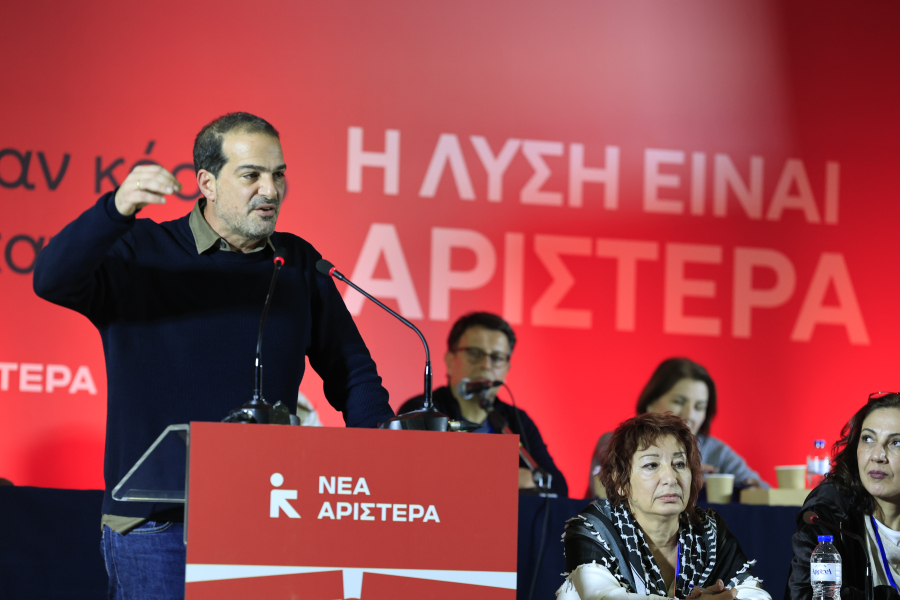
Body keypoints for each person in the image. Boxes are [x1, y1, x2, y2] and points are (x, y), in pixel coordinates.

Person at [32, 112, 394, 598]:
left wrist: (388, 460)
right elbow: (51, 280)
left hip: (266, 515)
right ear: (207, 183)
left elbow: (353, 373)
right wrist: (115, 210)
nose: (270, 190)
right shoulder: (141, 251)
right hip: (156, 528)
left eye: (278, 174)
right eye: (251, 175)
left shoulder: (296, 263)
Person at [559, 413, 770, 600]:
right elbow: (602, 596)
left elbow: (755, 594)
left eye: (679, 464)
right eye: (651, 465)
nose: (670, 478)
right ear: (621, 482)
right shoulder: (594, 528)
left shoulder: (708, 529)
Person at [397, 312, 568, 496]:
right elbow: (414, 476)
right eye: (474, 353)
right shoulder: (420, 411)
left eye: (497, 357)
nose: (486, 365)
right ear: (450, 360)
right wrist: (505, 478)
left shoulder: (516, 421)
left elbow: (558, 487)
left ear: (507, 369)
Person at [586, 358, 768, 498]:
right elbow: (610, 495)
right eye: (679, 402)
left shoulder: (716, 452)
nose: (690, 415)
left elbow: (766, 493)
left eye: (699, 407)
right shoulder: (615, 442)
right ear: (651, 402)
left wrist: (750, 492)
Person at [786, 392, 900, 600]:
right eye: (868, 439)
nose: (877, 456)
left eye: (896, 443)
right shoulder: (827, 512)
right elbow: (806, 595)